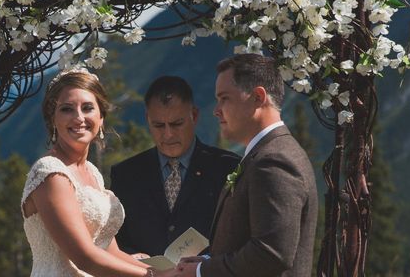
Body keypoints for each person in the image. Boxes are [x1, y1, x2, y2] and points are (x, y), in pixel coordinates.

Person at [21, 67, 175, 277]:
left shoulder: (92, 173)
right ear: (52, 117)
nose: (78, 118)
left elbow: (106, 249)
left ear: (101, 117)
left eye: (87, 108)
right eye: (67, 109)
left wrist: (166, 271)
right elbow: (85, 258)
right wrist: (153, 276)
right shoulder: (51, 173)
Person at [174, 54, 318, 277]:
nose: (216, 110)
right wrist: (207, 259)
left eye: (224, 98)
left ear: (258, 97)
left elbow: (271, 254)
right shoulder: (266, 154)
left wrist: (202, 271)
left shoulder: (275, 160)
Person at [110, 76, 240, 256]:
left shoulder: (228, 167)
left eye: (177, 124)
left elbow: (241, 237)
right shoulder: (125, 174)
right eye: (158, 125)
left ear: (194, 115)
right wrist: (132, 258)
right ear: (147, 119)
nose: (168, 134)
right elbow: (115, 240)